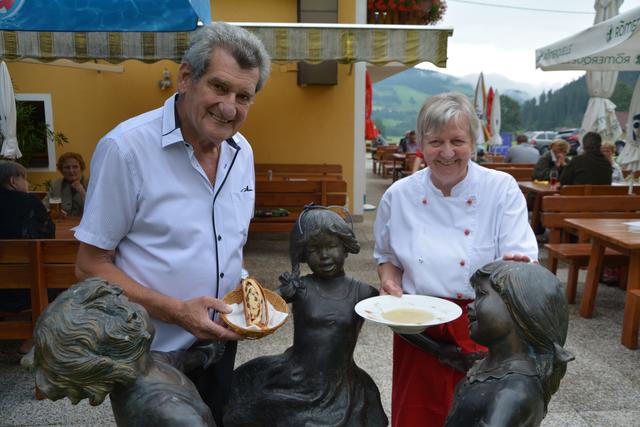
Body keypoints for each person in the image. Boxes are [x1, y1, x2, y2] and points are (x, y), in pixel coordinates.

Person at [73, 22, 271, 426]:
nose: (230, 107)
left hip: (220, 345)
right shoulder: (125, 149)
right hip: (149, 353)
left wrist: (247, 291)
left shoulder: (242, 152)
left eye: (243, 96)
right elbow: (89, 267)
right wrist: (177, 310)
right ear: (185, 77)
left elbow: (224, 245)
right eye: (219, 87)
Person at [374, 92, 538, 427]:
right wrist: (389, 280)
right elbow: (388, 257)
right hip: (417, 325)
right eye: (435, 142)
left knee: (478, 416)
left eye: (457, 141)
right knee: (417, 414)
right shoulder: (399, 195)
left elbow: (520, 259)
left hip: (483, 325)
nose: (446, 153)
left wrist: (518, 266)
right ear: (420, 142)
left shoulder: (501, 189)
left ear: (473, 141)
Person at [224, 207, 388, 427]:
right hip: (295, 379)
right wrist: (280, 293)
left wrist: (435, 347)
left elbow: (397, 322)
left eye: (331, 246)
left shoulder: (363, 293)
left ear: (346, 247)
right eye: (313, 250)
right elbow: (261, 309)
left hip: (341, 385)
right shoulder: (301, 288)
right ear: (302, 254)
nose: (324, 256)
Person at [34, 279, 216, 426]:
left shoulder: (146, 365)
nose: (129, 306)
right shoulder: (169, 411)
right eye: (118, 310)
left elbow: (178, 360)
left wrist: (209, 350)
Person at [445, 261, 573, 426]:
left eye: (482, 294)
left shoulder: (512, 393)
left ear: (519, 307)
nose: (470, 306)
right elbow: (451, 356)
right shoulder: (493, 365)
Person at [0, 160, 56, 324]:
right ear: (13, 181)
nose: (27, 183)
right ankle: (34, 334)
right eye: (25, 179)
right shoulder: (29, 202)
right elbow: (47, 238)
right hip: (25, 290)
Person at [43, 152, 88, 217]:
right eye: (67, 167)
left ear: (81, 168)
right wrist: (52, 212)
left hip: (85, 224)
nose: (71, 171)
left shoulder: (90, 183)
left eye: (75, 167)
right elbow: (43, 206)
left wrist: (82, 192)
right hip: (63, 224)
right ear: (61, 170)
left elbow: (96, 208)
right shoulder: (56, 185)